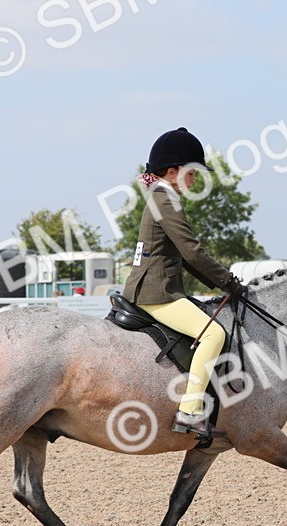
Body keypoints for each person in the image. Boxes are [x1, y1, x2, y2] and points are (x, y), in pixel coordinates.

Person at [122, 127, 245, 438]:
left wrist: (223, 285)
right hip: (156, 292)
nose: (194, 181)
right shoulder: (166, 199)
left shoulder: (161, 197)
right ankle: (189, 412)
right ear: (173, 171)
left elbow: (186, 256)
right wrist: (228, 280)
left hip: (156, 286)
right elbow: (192, 250)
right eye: (191, 175)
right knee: (214, 335)